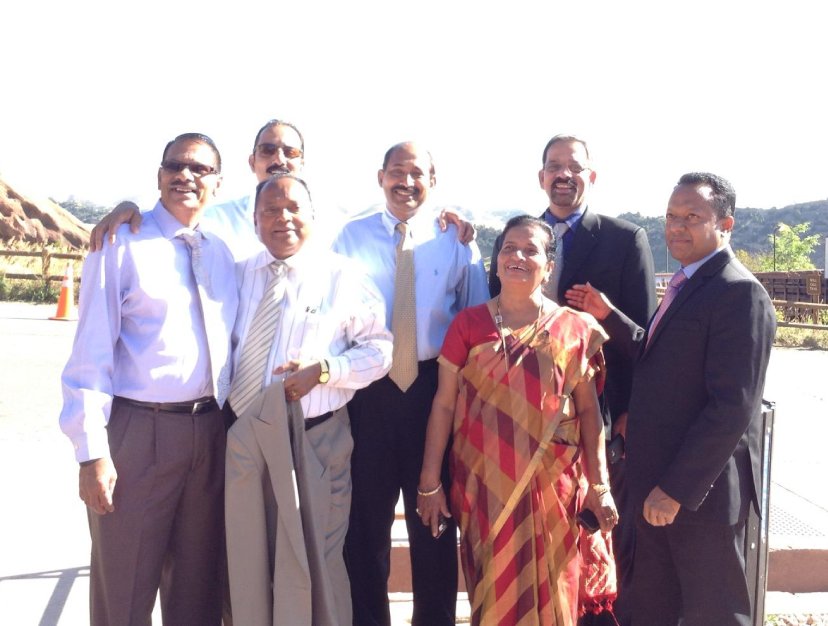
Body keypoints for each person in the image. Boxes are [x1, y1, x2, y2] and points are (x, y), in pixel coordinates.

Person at [568, 173, 776, 625]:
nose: (677, 227)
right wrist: (610, 316)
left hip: (698, 498)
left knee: (712, 613)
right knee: (652, 607)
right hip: (656, 484)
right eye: (671, 216)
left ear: (726, 224)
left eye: (692, 217)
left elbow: (732, 407)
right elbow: (660, 355)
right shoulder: (687, 283)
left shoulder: (739, 293)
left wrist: (676, 490)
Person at [59, 133, 239, 625]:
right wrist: (92, 452)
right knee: (125, 586)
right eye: (175, 166)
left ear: (218, 183)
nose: (186, 175)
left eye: (200, 169)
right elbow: (91, 354)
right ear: (159, 177)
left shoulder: (222, 254)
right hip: (138, 433)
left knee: (196, 589)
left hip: (208, 431)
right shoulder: (120, 244)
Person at [418, 215, 618, 626]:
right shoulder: (468, 325)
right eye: (509, 248)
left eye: (531, 250)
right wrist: (429, 482)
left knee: (557, 591)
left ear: (549, 266)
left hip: (555, 486)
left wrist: (599, 485)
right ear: (496, 261)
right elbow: (444, 405)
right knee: (493, 593)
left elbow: (588, 412)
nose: (518, 257)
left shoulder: (575, 329)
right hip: (483, 485)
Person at [489, 134, 657, 625]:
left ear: (591, 176)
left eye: (574, 167)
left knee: (594, 540)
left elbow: (645, 340)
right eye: (554, 166)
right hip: (522, 413)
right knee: (532, 539)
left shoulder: (625, 239)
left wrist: (629, 411)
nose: (564, 175)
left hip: (596, 416)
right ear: (541, 177)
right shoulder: (517, 238)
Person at [332, 142, 490, 626]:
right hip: (367, 393)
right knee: (364, 531)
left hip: (433, 394)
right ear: (380, 177)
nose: (406, 182)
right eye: (396, 172)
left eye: (417, 173)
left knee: (434, 526)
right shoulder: (349, 236)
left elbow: (476, 320)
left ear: (432, 180)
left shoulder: (456, 240)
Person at [223, 173, 393, 625]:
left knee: (315, 566)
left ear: (313, 216)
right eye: (271, 210)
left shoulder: (343, 276)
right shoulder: (237, 274)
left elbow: (381, 351)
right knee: (249, 564)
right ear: (255, 220)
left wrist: (324, 370)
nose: (283, 218)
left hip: (313, 440)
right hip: (243, 441)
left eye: (294, 208)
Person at [89, 119, 475, 260]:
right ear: (251, 161)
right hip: (235, 377)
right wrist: (129, 207)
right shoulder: (217, 219)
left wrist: (440, 214)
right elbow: (176, 213)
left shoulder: (333, 219)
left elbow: (395, 212)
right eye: (268, 150)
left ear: (302, 163)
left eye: (290, 152)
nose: (279, 159)